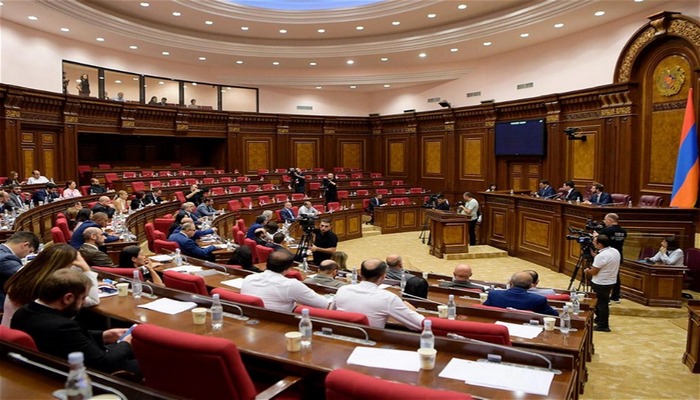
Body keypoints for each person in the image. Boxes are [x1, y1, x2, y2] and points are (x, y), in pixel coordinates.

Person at [11, 269, 139, 375]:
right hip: (87, 375)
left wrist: (103, 335)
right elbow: (103, 363)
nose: (84, 303)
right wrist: (126, 343)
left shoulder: (23, 311)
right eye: (83, 298)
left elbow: (71, 340)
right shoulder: (63, 327)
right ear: (68, 298)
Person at [3, 244, 99, 327]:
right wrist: (86, 269)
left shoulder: (24, 272)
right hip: (33, 334)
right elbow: (93, 300)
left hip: (9, 331)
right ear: (63, 265)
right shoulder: (51, 285)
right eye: (71, 265)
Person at [332, 258, 424, 330]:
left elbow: (331, 312)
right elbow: (420, 324)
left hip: (341, 335)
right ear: (383, 276)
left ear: (360, 274)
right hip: (370, 341)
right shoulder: (388, 298)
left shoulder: (343, 290)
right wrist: (414, 311)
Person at [241, 250, 330, 312]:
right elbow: (324, 304)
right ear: (288, 269)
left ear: (267, 264)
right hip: (280, 324)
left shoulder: (249, 278)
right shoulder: (291, 285)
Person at [585, 235, 621, 332]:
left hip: (601, 283)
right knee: (601, 302)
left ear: (600, 244)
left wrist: (587, 271)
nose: (593, 243)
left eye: (594, 242)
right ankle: (599, 319)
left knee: (602, 304)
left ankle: (603, 325)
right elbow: (604, 261)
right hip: (611, 281)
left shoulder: (601, 256)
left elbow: (594, 272)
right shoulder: (615, 251)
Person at [484, 272, 559, 316]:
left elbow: (484, 309)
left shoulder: (494, 294)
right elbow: (555, 315)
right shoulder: (538, 300)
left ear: (510, 283)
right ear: (531, 286)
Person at [0, 231, 40, 304]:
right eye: (30, 251)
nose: (26, 256)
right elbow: (26, 278)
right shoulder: (5, 258)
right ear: (25, 245)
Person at [596, 213, 627, 303]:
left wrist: (596, 236)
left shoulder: (606, 231)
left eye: (605, 220)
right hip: (618, 255)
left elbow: (601, 242)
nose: (604, 222)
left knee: (603, 274)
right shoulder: (623, 231)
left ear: (610, 220)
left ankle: (603, 297)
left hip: (607, 255)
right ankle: (615, 296)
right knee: (616, 275)